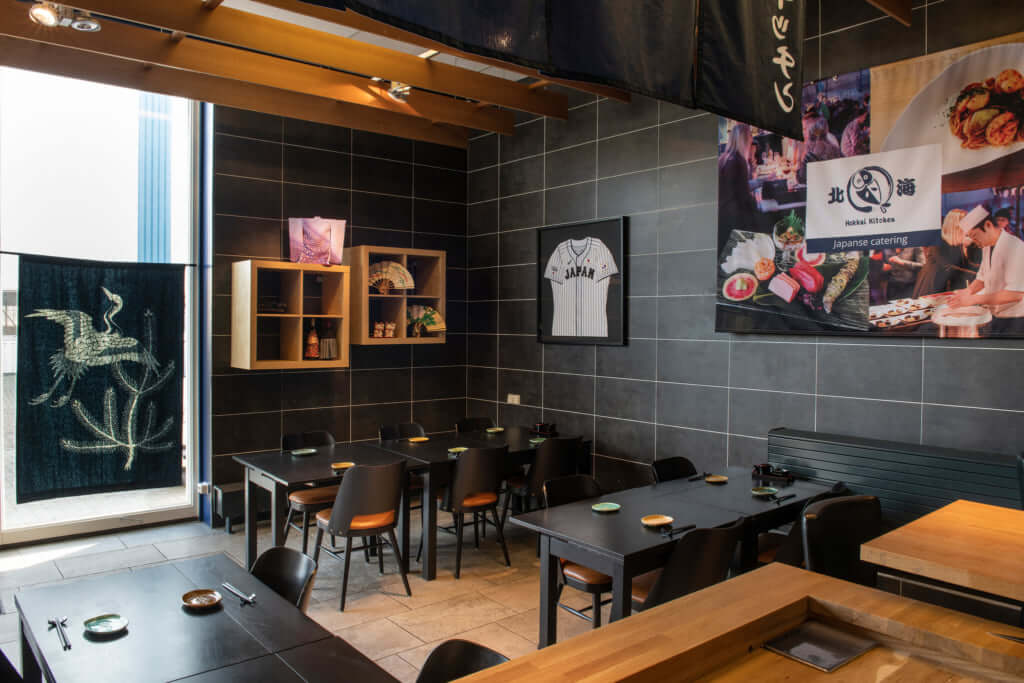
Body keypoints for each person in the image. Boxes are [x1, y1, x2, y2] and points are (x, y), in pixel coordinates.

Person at [949, 215, 1024, 334]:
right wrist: (967, 291)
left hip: (1015, 319)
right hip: (994, 314)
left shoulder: (1015, 247)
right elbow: (982, 278)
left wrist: (973, 299)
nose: (974, 242)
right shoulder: (987, 246)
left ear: (988, 225)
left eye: (975, 236)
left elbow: (1015, 294)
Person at [717, 123, 757, 236]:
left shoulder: (724, 158)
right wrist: (759, 204)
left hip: (723, 216)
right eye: (750, 137)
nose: (751, 140)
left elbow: (737, 187)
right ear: (744, 140)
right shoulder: (738, 161)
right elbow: (744, 196)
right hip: (735, 218)